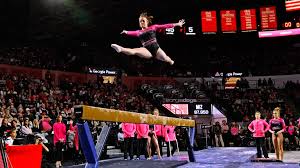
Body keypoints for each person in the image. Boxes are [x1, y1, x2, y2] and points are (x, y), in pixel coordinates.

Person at [111, 12, 185, 65]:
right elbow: (131, 32)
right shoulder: (138, 32)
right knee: (135, 51)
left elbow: (165, 26)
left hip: (156, 49)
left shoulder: (153, 27)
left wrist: (177, 24)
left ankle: (170, 61)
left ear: (147, 22)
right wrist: (126, 32)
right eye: (140, 21)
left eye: (143, 21)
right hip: (146, 49)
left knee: (166, 59)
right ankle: (120, 49)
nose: (142, 22)